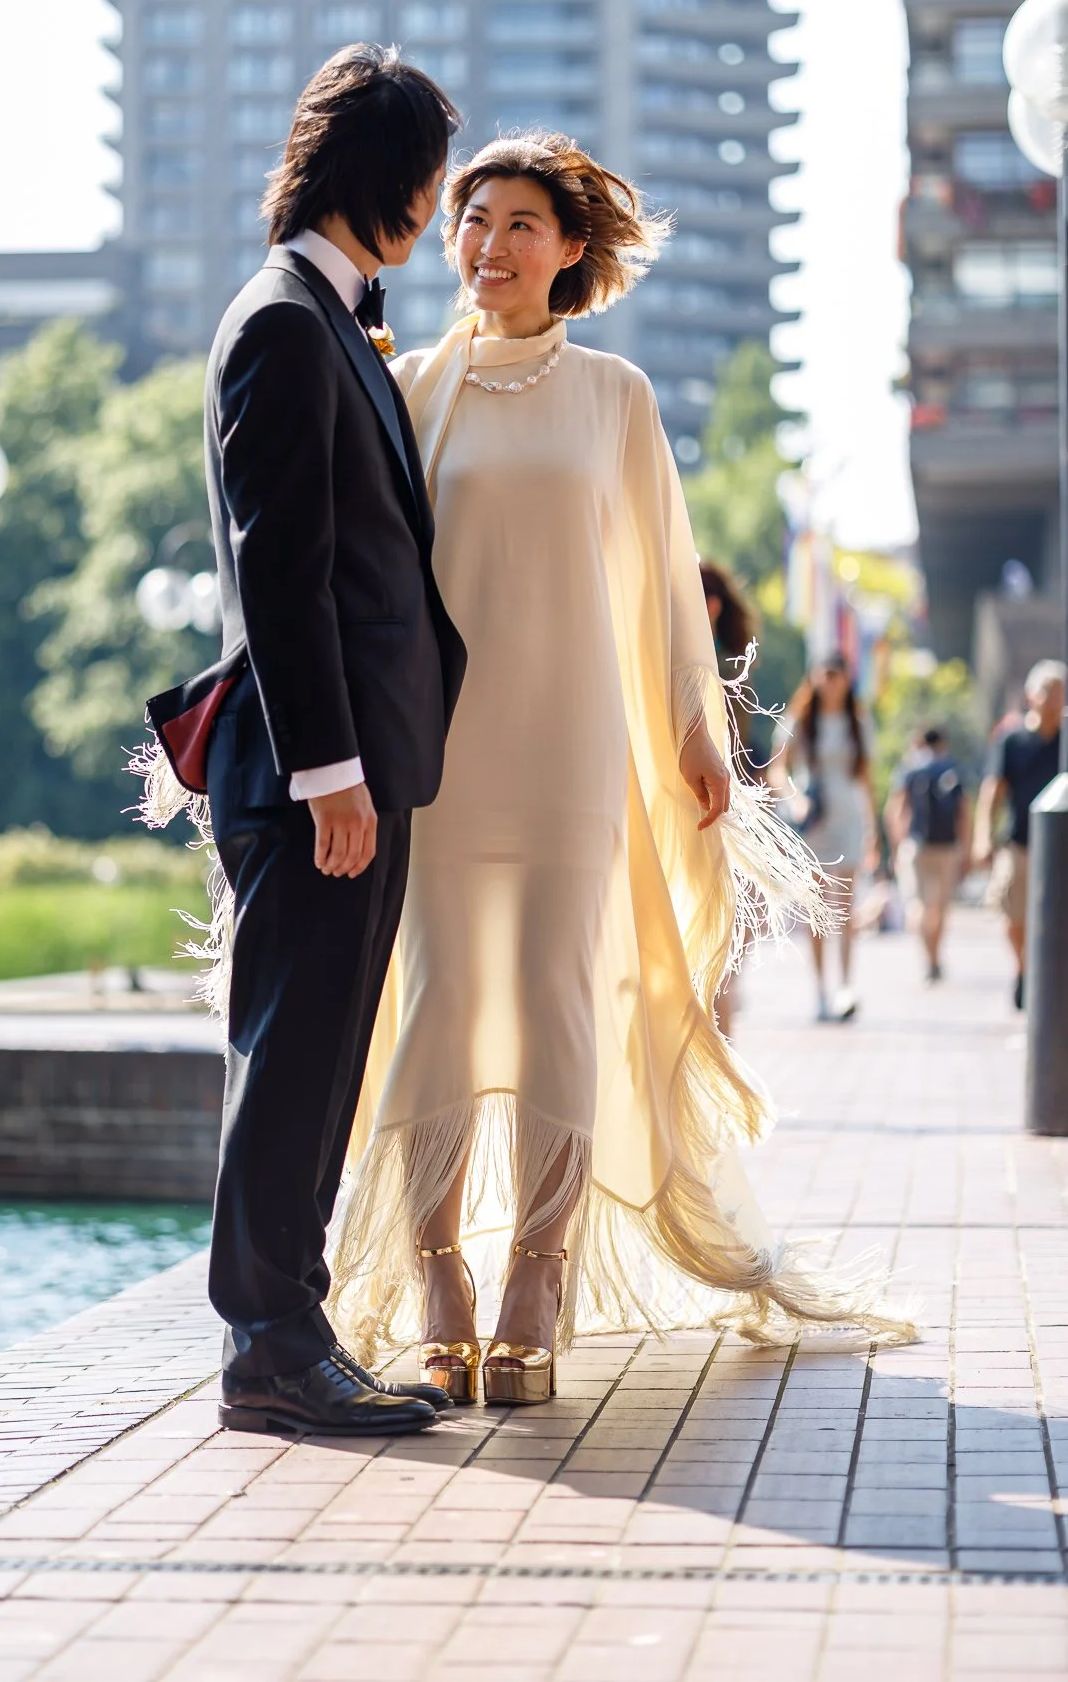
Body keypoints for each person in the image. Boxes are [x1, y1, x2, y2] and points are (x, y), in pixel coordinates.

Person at [326, 132, 910, 1407]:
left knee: (554, 1004)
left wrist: (698, 736)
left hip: (573, 750)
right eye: (472, 217)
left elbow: (662, 590)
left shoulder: (617, 398)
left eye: (519, 221)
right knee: (428, 1011)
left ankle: (537, 1274)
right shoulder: (406, 384)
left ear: (570, 247)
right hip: (438, 758)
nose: (487, 241)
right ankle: (439, 1283)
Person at [187, 46, 468, 1437]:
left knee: (324, 1055)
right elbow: (280, 564)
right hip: (320, 777)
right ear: (392, 187)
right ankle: (268, 1349)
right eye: (427, 183)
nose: (433, 209)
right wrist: (330, 775)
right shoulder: (286, 324)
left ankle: (293, 1330)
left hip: (355, 763)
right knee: (295, 1052)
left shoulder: (322, 316)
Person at [783, 655, 877, 1023]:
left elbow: (866, 779)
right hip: (814, 823)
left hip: (849, 820)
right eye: (823, 676)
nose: (829, 682)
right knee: (817, 910)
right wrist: (796, 799)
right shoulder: (801, 720)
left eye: (836, 675)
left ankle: (846, 986)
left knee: (846, 908)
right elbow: (779, 767)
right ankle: (820, 990)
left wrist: (873, 830)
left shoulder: (858, 721)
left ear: (846, 679)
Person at [972, 659, 1066, 1009]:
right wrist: (983, 836)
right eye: (1047, 691)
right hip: (1021, 841)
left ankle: (1046, 976)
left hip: (1061, 847)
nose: (1053, 699)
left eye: (1059, 692)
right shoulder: (1012, 739)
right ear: (1031, 695)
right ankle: (1026, 968)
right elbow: (993, 789)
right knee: (1013, 913)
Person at [700, 562, 761, 1037]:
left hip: (712, 808)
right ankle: (721, 1042)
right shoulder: (729, 663)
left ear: (711, 606)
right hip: (723, 807)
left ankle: (718, 1045)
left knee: (716, 937)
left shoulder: (714, 666)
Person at [884, 726, 969, 984]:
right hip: (947, 847)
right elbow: (964, 812)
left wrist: (896, 845)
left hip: (916, 845)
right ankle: (935, 957)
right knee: (941, 907)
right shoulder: (952, 768)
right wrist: (966, 848)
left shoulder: (910, 770)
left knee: (918, 905)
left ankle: (928, 959)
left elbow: (895, 809)